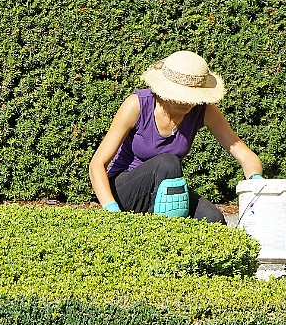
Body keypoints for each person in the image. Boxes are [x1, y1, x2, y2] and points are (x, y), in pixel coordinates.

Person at [89, 50, 264, 223]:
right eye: (182, 96)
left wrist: (256, 182)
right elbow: (97, 164)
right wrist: (111, 211)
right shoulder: (138, 105)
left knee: (213, 219)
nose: (188, 103)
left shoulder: (203, 110)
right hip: (125, 188)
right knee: (168, 163)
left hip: (166, 191)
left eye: (193, 97)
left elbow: (244, 154)